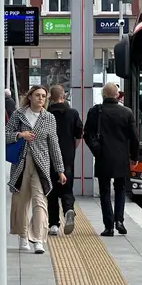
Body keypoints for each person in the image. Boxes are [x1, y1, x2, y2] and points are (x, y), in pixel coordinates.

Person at [5, 85, 66, 254]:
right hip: (21, 164)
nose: (41, 98)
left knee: (40, 202)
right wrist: (20, 135)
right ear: (30, 97)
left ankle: (38, 239)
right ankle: (23, 236)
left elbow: (54, 144)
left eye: (44, 96)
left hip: (42, 165)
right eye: (37, 95)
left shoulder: (49, 118)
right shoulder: (18, 115)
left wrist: (60, 170)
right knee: (21, 202)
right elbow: (4, 134)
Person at [83, 82, 139, 237]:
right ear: (117, 95)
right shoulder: (127, 112)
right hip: (121, 157)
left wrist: (96, 151)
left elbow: (86, 134)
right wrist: (134, 156)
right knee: (120, 189)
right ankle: (119, 220)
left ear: (103, 95)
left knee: (104, 191)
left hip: (103, 157)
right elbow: (134, 137)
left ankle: (108, 226)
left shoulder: (95, 112)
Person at [46, 85, 83, 236]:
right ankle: (68, 209)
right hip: (67, 156)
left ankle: (54, 224)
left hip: (48, 156)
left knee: (51, 190)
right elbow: (79, 135)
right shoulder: (73, 113)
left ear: (50, 97)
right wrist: (72, 149)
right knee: (66, 187)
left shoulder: (46, 114)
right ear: (64, 96)